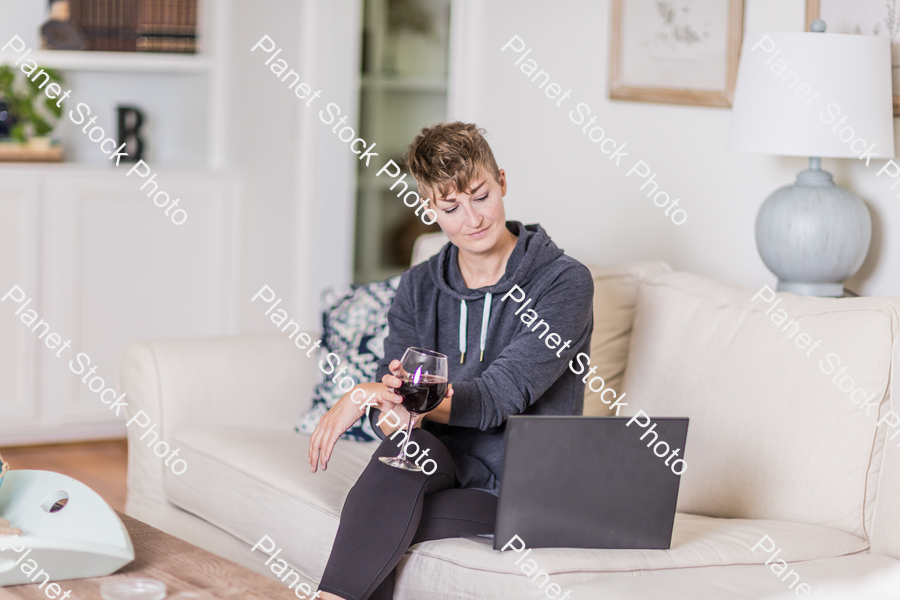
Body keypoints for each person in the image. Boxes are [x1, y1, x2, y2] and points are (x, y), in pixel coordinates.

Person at [307, 122, 594, 600]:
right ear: (428, 208)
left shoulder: (563, 283)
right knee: (395, 468)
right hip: (440, 460)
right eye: (450, 207)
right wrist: (391, 412)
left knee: (374, 519)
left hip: (523, 486)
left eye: (481, 195)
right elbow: (398, 426)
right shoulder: (418, 287)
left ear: (502, 181)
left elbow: (495, 399)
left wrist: (367, 394)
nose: (473, 218)